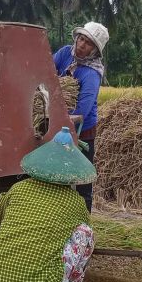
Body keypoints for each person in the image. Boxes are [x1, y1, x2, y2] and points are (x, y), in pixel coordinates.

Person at [0, 127, 97, 282]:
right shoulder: (75, 202)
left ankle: (8, 264)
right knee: (85, 234)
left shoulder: (18, 188)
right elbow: (85, 230)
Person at [52, 21, 109, 212]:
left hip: (82, 130)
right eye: (81, 39)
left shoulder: (92, 73)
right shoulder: (64, 54)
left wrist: (59, 116)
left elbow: (81, 111)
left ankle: (84, 224)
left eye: (88, 43)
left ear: (94, 50)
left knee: (82, 179)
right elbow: (46, 73)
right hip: (56, 124)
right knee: (58, 177)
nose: (82, 45)